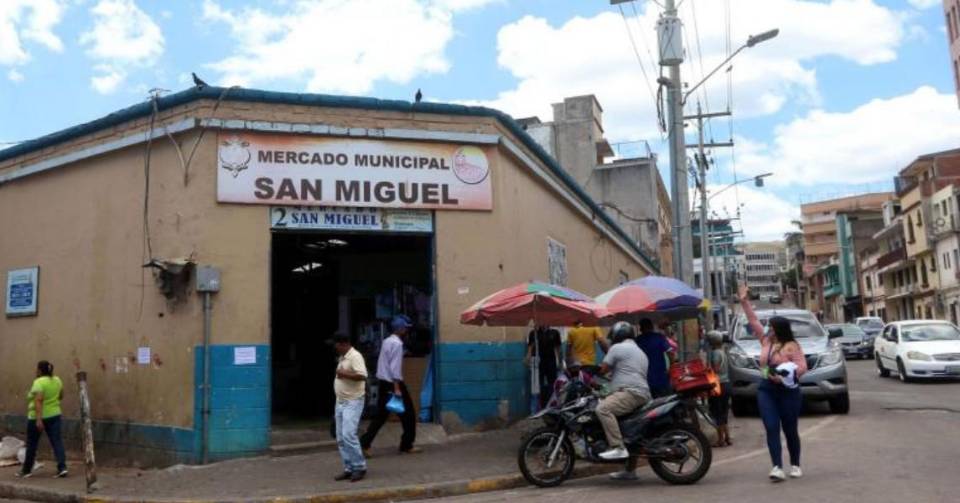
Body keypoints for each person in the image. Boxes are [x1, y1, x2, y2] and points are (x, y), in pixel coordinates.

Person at [738, 285, 808, 482]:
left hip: (787, 391)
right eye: (768, 326)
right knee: (771, 426)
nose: (768, 329)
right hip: (766, 389)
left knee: (790, 429)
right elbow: (753, 320)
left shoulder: (792, 346)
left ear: (779, 330)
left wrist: (786, 375)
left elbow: (803, 366)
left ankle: (795, 465)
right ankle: (776, 466)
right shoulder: (765, 341)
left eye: (771, 327)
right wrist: (744, 300)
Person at [361, 315, 420, 455]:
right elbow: (395, 368)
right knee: (409, 415)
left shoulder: (386, 341)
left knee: (381, 416)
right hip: (393, 384)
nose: (406, 330)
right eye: (405, 328)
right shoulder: (397, 344)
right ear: (400, 329)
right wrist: (397, 388)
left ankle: (364, 444)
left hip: (383, 383)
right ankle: (407, 445)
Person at [595, 322, 651, 461]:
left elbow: (603, 370)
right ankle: (629, 469)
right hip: (641, 394)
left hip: (630, 393)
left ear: (618, 334)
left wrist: (590, 371)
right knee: (625, 428)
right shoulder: (640, 351)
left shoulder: (617, 348)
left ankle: (618, 447)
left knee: (603, 409)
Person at [18, 361, 67, 479]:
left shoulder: (38, 382)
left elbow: (38, 401)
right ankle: (62, 468)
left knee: (32, 444)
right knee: (57, 442)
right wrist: (52, 401)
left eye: (37, 369)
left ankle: (26, 470)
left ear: (40, 370)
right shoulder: (57, 380)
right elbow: (61, 395)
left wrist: (39, 419)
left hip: (37, 417)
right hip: (55, 415)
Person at [332, 332, 368, 482]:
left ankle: (359, 467)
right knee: (340, 438)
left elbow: (362, 375)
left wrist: (344, 373)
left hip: (353, 401)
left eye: (336, 345)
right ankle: (349, 467)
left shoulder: (355, 356)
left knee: (348, 435)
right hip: (340, 401)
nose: (335, 348)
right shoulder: (343, 357)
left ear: (343, 344)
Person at [635, 318, 676, 398]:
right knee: (666, 401)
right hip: (661, 379)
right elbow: (670, 353)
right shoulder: (659, 337)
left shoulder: (638, 340)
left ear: (641, 329)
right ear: (651, 327)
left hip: (644, 381)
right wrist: (672, 368)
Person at [526, 325, 562, 409]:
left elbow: (558, 348)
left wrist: (560, 362)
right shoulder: (534, 333)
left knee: (552, 385)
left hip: (551, 362)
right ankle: (536, 408)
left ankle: (553, 406)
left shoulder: (554, 333)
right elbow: (530, 347)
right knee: (536, 386)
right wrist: (528, 357)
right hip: (538, 363)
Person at [706, 330, 732, 447]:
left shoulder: (715, 353)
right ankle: (727, 438)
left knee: (717, 413)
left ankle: (721, 439)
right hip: (725, 384)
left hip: (718, 385)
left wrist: (706, 371)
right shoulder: (722, 352)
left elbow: (715, 370)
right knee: (723, 412)